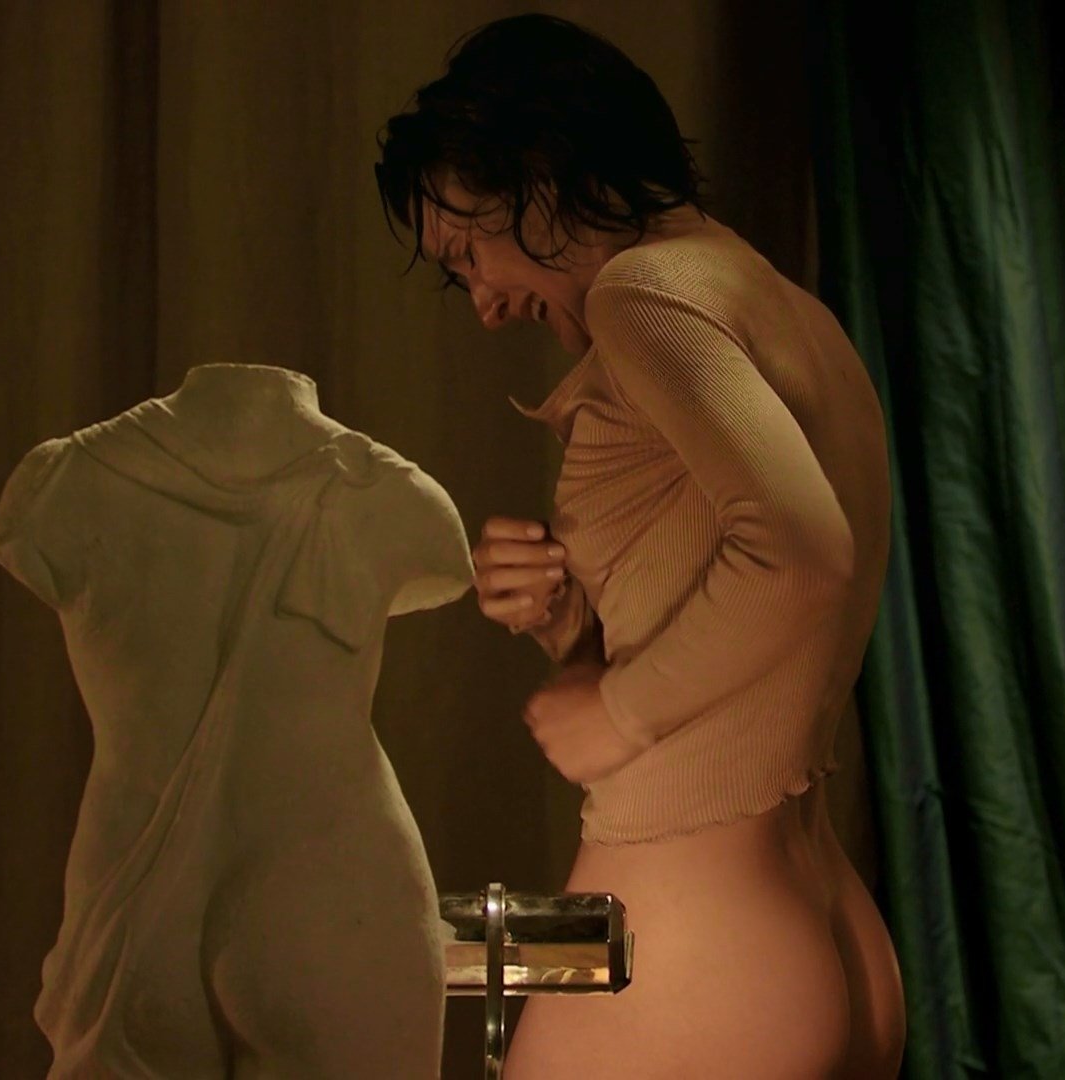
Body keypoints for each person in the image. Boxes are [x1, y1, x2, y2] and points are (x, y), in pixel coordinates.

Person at [376, 14, 905, 1078]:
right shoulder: (775, 301)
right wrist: (569, 626)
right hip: (812, 914)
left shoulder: (644, 295)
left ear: (539, 177)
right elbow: (760, 616)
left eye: (470, 252)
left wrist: (615, 710)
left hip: (688, 931)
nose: (484, 306)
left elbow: (804, 553)